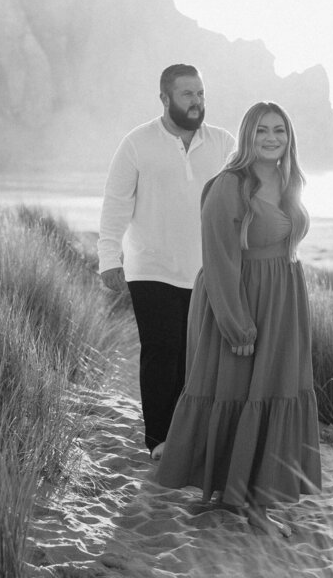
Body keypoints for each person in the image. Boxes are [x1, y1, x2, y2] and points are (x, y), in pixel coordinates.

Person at [154, 100, 321, 537]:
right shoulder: (229, 185)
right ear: (248, 136)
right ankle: (232, 498)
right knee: (232, 389)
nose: (271, 138)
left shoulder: (291, 181)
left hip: (283, 300)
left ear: (289, 138)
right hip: (239, 299)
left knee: (270, 391)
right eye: (262, 130)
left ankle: (254, 498)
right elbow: (220, 259)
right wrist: (237, 323)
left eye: (279, 131)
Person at [98, 64, 236, 460]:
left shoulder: (224, 143)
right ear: (165, 98)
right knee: (162, 352)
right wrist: (110, 257)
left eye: (201, 93)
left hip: (207, 271)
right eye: (187, 94)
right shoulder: (137, 143)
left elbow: (242, 200)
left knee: (198, 358)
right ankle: (159, 442)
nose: (197, 102)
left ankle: (192, 437)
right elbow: (116, 202)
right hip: (151, 268)